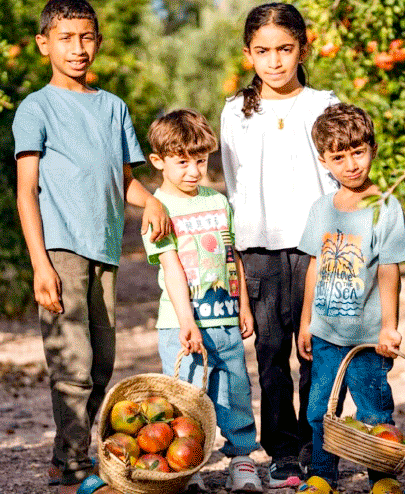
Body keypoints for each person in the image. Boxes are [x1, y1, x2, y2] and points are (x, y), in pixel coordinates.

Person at [12, 1, 170, 492]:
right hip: (60, 250)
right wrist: (40, 264)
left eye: (86, 37)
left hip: (105, 250)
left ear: (97, 42)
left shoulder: (113, 107)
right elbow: (26, 192)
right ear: (44, 44)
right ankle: (73, 463)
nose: (77, 48)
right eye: (65, 38)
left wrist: (154, 201)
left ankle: (70, 454)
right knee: (73, 363)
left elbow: (124, 182)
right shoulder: (36, 108)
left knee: (102, 362)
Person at [220, 2, 340, 487]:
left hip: (318, 249)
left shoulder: (323, 104)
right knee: (271, 354)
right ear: (249, 54)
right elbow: (234, 183)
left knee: (316, 351)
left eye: (285, 49)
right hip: (259, 250)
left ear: (302, 50)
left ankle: (317, 448)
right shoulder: (235, 112)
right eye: (264, 51)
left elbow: (335, 178)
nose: (275, 61)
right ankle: (283, 452)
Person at [142, 109, 263, 493]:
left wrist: (243, 305)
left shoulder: (217, 201)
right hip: (183, 327)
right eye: (182, 163)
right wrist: (187, 322)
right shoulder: (159, 209)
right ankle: (188, 466)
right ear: (158, 161)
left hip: (225, 319)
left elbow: (232, 255)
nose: (194, 171)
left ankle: (241, 459)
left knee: (235, 391)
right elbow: (172, 268)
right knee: (188, 400)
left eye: (200, 160)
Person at [297, 103, 405, 492]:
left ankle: (382, 479)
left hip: (367, 337)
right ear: (323, 161)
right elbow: (315, 266)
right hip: (326, 333)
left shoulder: (386, 207)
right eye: (338, 157)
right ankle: (322, 476)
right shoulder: (321, 209)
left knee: (374, 411)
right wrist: (306, 322)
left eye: (358, 152)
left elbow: (389, 270)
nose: (351, 165)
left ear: (373, 149)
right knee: (320, 412)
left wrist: (389, 327)